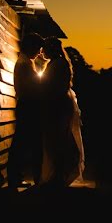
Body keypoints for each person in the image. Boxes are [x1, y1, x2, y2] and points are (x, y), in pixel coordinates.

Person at [39, 37, 85, 188]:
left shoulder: (58, 64)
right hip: (58, 104)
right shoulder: (57, 63)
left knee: (58, 140)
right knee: (58, 140)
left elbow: (53, 86)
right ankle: (58, 174)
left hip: (57, 106)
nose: (42, 51)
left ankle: (59, 175)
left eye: (44, 48)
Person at [6, 31, 44, 189]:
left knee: (22, 143)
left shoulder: (25, 61)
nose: (39, 52)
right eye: (37, 48)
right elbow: (31, 87)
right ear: (31, 46)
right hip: (27, 107)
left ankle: (17, 176)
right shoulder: (24, 64)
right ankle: (18, 177)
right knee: (24, 143)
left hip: (26, 106)